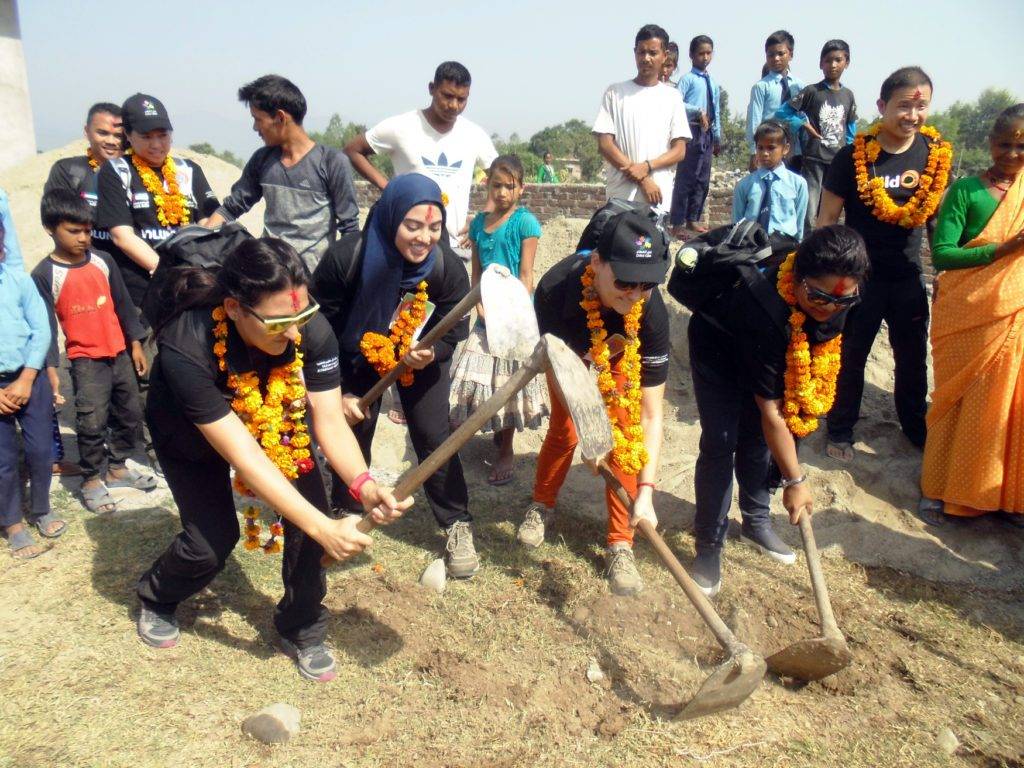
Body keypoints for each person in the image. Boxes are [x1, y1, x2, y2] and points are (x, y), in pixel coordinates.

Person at [134, 238, 409, 680]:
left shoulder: (308, 327)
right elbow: (243, 454)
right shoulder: (188, 345)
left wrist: (365, 485)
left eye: (301, 318)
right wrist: (323, 527)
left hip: (273, 411)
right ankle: (158, 595)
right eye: (280, 323)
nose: (296, 334)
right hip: (188, 430)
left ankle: (301, 625)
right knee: (211, 542)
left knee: (312, 518)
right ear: (236, 308)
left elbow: (330, 420)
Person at [685, 226, 869, 594]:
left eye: (843, 301)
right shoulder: (763, 306)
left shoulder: (837, 293)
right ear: (797, 280)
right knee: (722, 441)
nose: (831, 309)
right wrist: (795, 481)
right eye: (819, 298)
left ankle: (755, 522)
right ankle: (708, 546)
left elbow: (792, 403)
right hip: (718, 347)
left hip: (778, 347)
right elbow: (773, 413)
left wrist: (788, 469)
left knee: (757, 440)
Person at [311, 174, 476, 577]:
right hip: (350, 356)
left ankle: (457, 522)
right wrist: (338, 392)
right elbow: (317, 328)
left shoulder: (445, 267)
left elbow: (456, 326)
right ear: (390, 219)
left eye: (435, 228)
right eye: (413, 225)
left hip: (416, 360)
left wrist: (431, 352)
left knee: (434, 436)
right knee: (351, 430)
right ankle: (346, 513)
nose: (424, 238)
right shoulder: (345, 259)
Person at [517, 210, 670, 596]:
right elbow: (557, 367)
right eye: (624, 283)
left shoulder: (650, 313)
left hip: (621, 352)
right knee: (566, 430)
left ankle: (621, 543)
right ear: (597, 263)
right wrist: (589, 428)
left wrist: (648, 491)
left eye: (646, 285)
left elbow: (651, 416)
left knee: (623, 433)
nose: (634, 295)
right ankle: (541, 504)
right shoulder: (553, 290)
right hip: (568, 351)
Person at [817, 67, 952, 461]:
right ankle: (840, 429)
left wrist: (941, 269)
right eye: (904, 105)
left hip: (908, 277)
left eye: (920, 106)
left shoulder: (934, 155)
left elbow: (936, 222)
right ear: (882, 106)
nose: (912, 115)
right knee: (851, 355)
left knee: (911, 358)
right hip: (860, 280)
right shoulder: (852, 157)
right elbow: (826, 220)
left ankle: (914, 429)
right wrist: (827, 276)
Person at [919, 104, 1024, 527]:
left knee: (1008, 406)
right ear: (989, 143)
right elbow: (943, 254)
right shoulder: (966, 191)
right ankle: (941, 487)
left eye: (1022, 145)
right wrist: (1003, 249)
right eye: (1005, 143)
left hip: (1015, 313)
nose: (1013, 153)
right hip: (968, 315)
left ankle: (1003, 494)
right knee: (955, 402)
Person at [32, 190, 154, 515]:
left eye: (87, 230)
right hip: (86, 360)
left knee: (128, 413)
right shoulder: (45, 274)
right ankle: (90, 479)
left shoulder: (104, 260)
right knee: (91, 422)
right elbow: (45, 326)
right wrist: (51, 369)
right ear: (50, 228)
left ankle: (117, 468)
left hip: (120, 354)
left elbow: (124, 306)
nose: (83, 238)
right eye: (74, 231)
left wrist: (136, 344)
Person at [449, 155, 547, 486]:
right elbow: (476, 272)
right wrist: (481, 309)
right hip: (485, 312)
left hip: (515, 315)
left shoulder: (526, 224)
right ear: (488, 186)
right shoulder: (478, 224)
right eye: (497, 185)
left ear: (522, 188)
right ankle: (458, 439)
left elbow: (526, 274)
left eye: (510, 186)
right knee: (470, 376)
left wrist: (512, 313)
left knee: (508, 384)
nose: (503, 192)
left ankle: (506, 448)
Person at [202, 75, 360, 272]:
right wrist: (199, 242)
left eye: (257, 119)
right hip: (270, 275)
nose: (255, 128)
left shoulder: (331, 162)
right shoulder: (262, 160)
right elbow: (231, 208)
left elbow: (350, 229)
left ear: (280, 117)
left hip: (314, 279)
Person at [344, 62, 498, 249]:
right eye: (447, 96)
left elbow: (503, 176)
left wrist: (483, 219)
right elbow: (353, 150)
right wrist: (388, 187)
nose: (453, 105)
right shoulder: (402, 127)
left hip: (454, 247)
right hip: (406, 243)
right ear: (432, 89)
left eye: (461, 99)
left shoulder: (474, 135)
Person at [95, 93, 220, 317]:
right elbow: (122, 236)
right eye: (146, 136)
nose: (156, 144)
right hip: (143, 290)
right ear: (128, 136)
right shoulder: (116, 171)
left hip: (192, 285)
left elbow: (206, 224)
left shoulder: (188, 170)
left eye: (162, 135)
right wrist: (167, 273)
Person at [1, 211, 65, 559]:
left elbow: (41, 330)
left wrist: (27, 379)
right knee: (3, 459)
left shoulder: (17, 280)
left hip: (30, 377)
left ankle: (41, 509)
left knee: (41, 449)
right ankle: (12, 522)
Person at [592, 24, 690, 215]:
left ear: (664, 55)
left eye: (652, 52)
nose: (646, 58)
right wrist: (642, 178)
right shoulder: (615, 93)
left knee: (651, 245)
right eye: (641, 52)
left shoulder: (672, 97)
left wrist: (647, 167)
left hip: (657, 196)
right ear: (634, 53)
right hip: (620, 196)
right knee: (617, 244)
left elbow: (679, 151)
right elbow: (605, 145)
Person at [776, 40, 858, 234]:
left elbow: (851, 127)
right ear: (821, 63)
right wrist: (802, 123)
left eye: (838, 60)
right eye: (828, 60)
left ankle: (825, 245)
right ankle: (802, 246)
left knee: (831, 208)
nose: (833, 65)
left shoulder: (848, 95)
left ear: (847, 63)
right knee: (809, 208)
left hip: (838, 160)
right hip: (814, 158)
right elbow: (782, 113)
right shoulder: (812, 92)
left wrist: (851, 152)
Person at [43, 102, 124, 254]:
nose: (111, 141)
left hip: (129, 265)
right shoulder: (68, 171)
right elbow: (57, 222)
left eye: (118, 135)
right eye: (103, 133)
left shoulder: (137, 172)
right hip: (83, 261)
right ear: (87, 131)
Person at [671, 35, 722, 235]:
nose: (705, 57)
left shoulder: (713, 82)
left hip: (707, 133)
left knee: (702, 179)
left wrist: (717, 137)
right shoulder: (687, 80)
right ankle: (677, 222)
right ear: (692, 55)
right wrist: (697, 110)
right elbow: (675, 104)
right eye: (701, 53)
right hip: (691, 130)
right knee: (687, 178)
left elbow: (716, 111)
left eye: (708, 53)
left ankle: (693, 218)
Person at [733, 121, 808, 249]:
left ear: (785, 149)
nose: (765, 153)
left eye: (771, 148)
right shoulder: (744, 185)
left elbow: (800, 222)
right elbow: (737, 223)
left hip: (784, 249)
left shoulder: (798, 184)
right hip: (751, 249)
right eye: (760, 148)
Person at [746, 30, 804, 173]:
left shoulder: (800, 86)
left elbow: (803, 117)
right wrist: (754, 152)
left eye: (780, 54)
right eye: (770, 55)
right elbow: (754, 121)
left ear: (790, 54)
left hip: (795, 150)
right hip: (769, 150)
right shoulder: (761, 87)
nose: (776, 58)